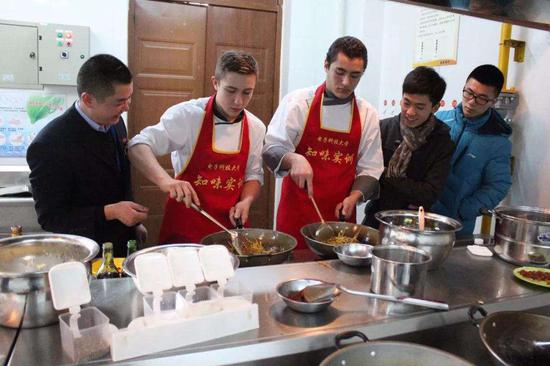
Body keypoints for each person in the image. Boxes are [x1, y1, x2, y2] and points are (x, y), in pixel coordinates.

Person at [128, 51, 265, 244]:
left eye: (247, 92)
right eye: (231, 90)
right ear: (215, 83)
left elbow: (253, 175)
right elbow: (137, 146)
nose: (238, 101)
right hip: (186, 228)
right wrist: (166, 182)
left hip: (229, 231)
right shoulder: (189, 116)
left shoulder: (255, 127)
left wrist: (246, 201)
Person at [263, 36, 384, 249]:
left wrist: (354, 197)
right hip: (296, 212)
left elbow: (371, 168)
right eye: (340, 72)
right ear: (326, 65)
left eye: (355, 76)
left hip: (340, 217)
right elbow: (271, 148)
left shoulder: (367, 114)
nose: (346, 82)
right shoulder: (299, 102)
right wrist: (294, 158)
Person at [27, 54, 149, 257]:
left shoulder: (115, 121)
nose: (127, 107)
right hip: (86, 251)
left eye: (129, 99)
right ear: (88, 99)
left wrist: (133, 225)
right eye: (120, 101)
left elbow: (120, 176)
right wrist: (111, 212)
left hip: (122, 244)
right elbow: (51, 217)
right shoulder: (50, 144)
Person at [363, 67, 454, 227]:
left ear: (435, 107)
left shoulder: (441, 142)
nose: (410, 112)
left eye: (419, 107)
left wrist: (384, 174)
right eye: (406, 103)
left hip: (413, 224)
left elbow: (429, 194)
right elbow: (365, 172)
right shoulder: (383, 129)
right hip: (376, 217)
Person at [431, 64, 512, 235]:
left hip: (456, 227)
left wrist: (465, 209)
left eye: (482, 98)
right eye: (468, 92)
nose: (471, 102)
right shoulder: (439, 120)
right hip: (422, 214)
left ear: (493, 101)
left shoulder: (497, 142)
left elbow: (498, 185)